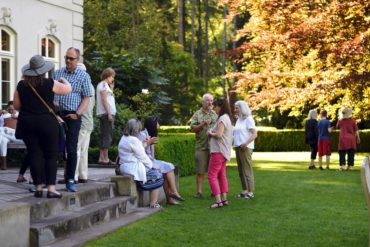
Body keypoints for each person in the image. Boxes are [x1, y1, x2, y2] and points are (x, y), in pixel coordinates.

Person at [13, 54, 72, 198]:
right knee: (51, 155)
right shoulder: (49, 83)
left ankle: (38, 188)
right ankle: (51, 189)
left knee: (35, 154)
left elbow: (16, 106)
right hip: (47, 123)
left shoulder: (21, 85)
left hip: (27, 123)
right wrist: (64, 80)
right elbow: (67, 90)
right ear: (43, 70)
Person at [53, 47, 92, 192]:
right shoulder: (58, 73)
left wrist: (77, 113)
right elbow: (51, 93)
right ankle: (47, 180)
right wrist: (54, 111)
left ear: (78, 60)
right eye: (66, 57)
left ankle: (70, 180)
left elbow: (87, 97)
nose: (68, 60)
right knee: (51, 147)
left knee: (71, 149)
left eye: (71, 58)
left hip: (73, 116)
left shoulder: (83, 76)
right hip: (57, 115)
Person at [139, 116, 184, 205]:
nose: (159, 125)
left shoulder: (152, 134)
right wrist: (148, 143)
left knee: (167, 169)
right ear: (153, 124)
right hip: (144, 161)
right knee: (169, 167)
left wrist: (154, 159)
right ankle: (174, 193)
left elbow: (152, 155)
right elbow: (140, 152)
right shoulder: (142, 135)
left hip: (150, 160)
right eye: (157, 123)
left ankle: (170, 199)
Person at [118, 119, 161, 208]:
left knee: (153, 173)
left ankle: (153, 202)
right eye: (137, 129)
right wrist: (152, 166)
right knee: (157, 175)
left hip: (125, 166)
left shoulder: (124, 138)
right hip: (132, 168)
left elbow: (136, 149)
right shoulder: (133, 140)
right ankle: (153, 203)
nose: (139, 131)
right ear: (133, 129)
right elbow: (142, 156)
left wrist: (144, 143)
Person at [190, 93, 218, 198]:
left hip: (214, 147)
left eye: (211, 100)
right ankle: (199, 192)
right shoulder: (197, 114)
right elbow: (192, 129)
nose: (210, 102)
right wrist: (203, 124)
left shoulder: (215, 114)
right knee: (200, 171)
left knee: (213, 171)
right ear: (203, 102)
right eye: (207, 100)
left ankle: (214, 191)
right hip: (201, 147)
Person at [207, 98, 233, 208]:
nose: (214, 108)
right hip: (224, 151)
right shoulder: (227, 118)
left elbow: (219, 134)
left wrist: (210, 133)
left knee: (211, 176)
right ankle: (224, 199)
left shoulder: (222, 118)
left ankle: (218, 202)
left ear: (220, 106)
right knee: (222, 175)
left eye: (216, 106)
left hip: (218, 151)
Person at [74, 63, 95, 183]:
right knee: (84, 150)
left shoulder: (81, 86)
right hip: (89, 121)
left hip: (81, 121)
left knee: (76, 149)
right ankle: (83, 175)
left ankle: (75, 176)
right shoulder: (91, 86)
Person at [233, 100, 257, 199]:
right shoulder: (239, 119)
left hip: (245, 148)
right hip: (238, 147)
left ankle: (251, 192)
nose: (234, 110)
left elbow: (254, 134)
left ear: (242, 108)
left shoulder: (249, 119)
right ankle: (244, 190)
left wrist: (246, 143)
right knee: (240, 171)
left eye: (236, 108)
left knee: (247, 170)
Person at [96, 67, 116, 165]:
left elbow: (108, 98)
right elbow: (104, 101)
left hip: (104, 113)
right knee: (107, 136)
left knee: (104, 135)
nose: (113, 79)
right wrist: (109, 113)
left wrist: (111, 88)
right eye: (112, 77)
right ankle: (105, 158)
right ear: (108, 76)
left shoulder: (103, 85)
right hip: (106, 114)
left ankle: (101, 158)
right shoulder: (104, 85)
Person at [0, 101, 24, 170]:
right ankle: (4, 164)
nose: (11, 111)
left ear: (15, 108)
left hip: (15, 135)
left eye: (12, 109)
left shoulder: (20, 115)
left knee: (1, 131)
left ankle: (2, 162)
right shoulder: (4, 116)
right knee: (2, 140)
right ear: (7, 108)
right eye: (9, 109)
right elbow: (1, 125)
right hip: (5, 136)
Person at [336, 107, 360, 171]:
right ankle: (349, 167)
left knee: (342, 152)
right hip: (351, 139)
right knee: (351, 152)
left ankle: (342, 166)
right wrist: (358, 137)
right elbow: (356, 130)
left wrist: (340, 118)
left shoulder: (340, 120)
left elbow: (337, 127)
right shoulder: (352, 120)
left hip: (343, 138)